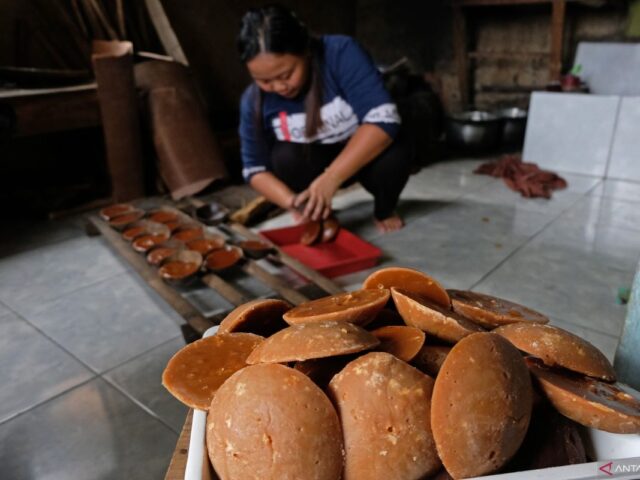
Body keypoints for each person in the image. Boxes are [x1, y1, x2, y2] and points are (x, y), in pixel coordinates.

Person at [237, 5, 411, 232]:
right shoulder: (252, 100)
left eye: (286, 75)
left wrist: (332, 178)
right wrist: (292, 202)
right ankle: (317, 211)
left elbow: (383, 118)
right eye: (264, 81)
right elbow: (255, 169)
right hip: (313, 163)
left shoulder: (340, 52)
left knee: (396, 149)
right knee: (285, 157)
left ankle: (385, 208)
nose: (279, 87)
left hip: (363, 157)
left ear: (306, 51)